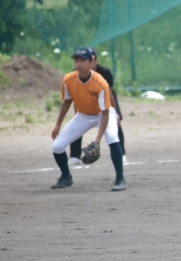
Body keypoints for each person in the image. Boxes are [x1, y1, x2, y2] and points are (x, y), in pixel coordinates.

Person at [50, 47, 127, 191]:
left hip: (103, 114)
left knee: (112, 137)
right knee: (57, 146)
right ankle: (66, 177)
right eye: (76, 60)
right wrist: (58, 124)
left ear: (92, 62)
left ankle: (120, 179)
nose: (79, 64)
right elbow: (67, 101)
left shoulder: (100, 82)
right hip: (83, 116)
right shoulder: (68, 79)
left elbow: (105, 113)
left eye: (83, 60)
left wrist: (97, 141)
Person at [68, 48, 127, 165]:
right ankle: (75, 155)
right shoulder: (77, 74)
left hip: (106, 97)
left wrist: (114, 112)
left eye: (92, 59)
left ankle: (122, 154)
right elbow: (76, 95)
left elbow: (110, 93)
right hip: (86, 98)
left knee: (115, 124)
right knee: (77, 125)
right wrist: (77, 113)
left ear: (95, 61)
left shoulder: (104, 72)